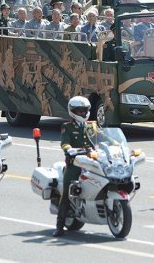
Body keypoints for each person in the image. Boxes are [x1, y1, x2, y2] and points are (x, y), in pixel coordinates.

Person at [53, 96, 99, 237]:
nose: (83, 113)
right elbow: (64, 142)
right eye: (80, 111)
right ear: (73, 111)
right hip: (75, 164)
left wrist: (114, 144)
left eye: (85, 110)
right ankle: (59, 225)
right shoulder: (67, 126)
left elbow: (103, 138)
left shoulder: (91, 125)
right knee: (68, 192)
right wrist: (69, 149)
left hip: (92, 161)